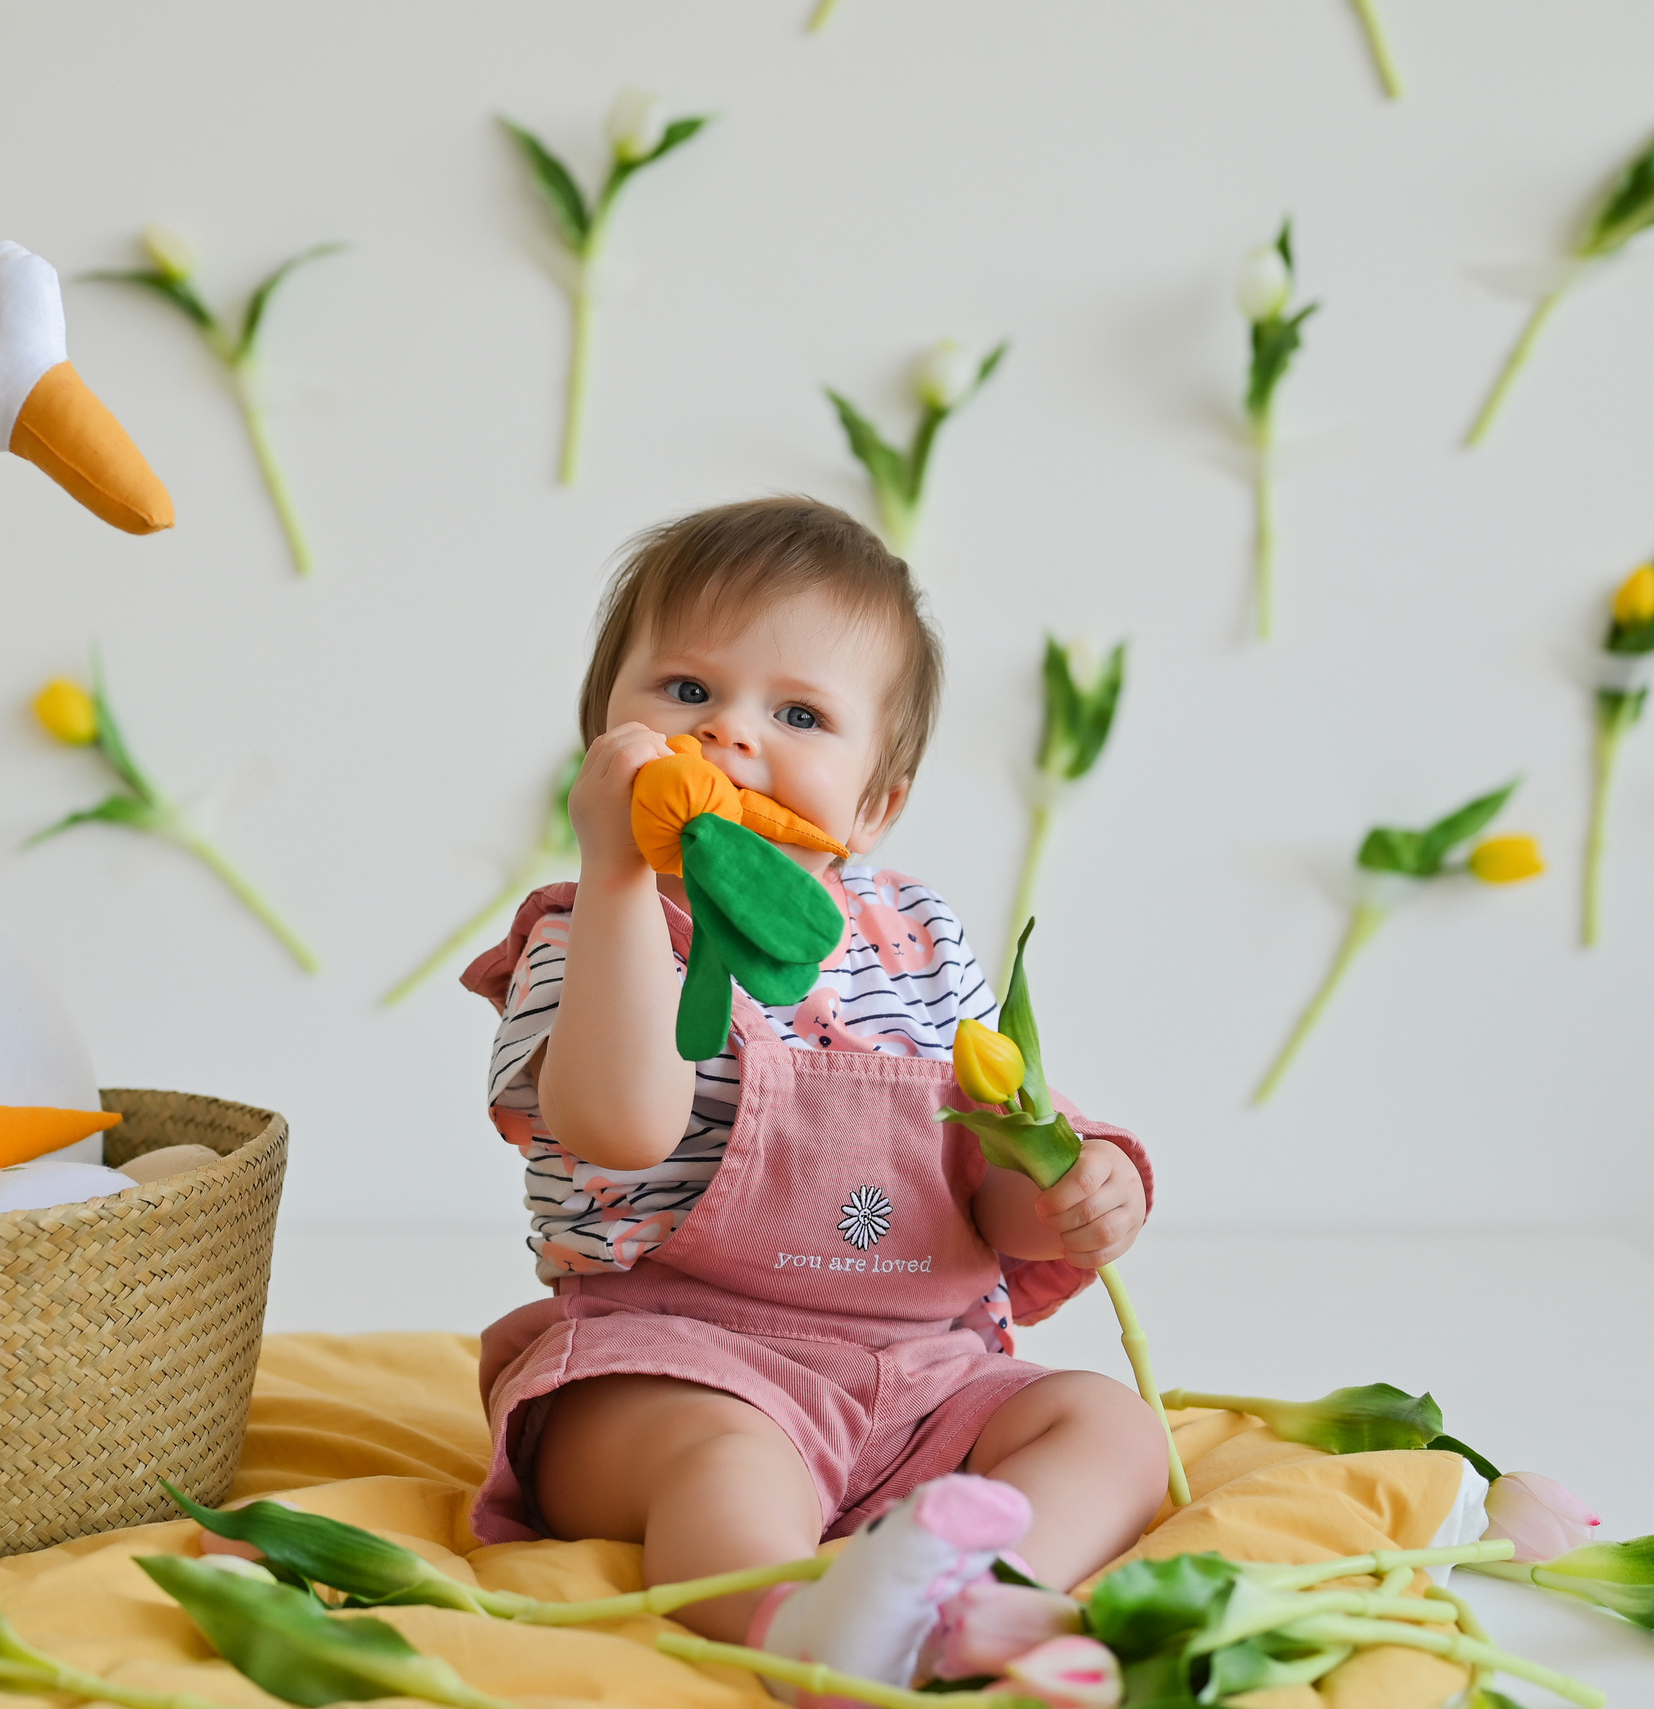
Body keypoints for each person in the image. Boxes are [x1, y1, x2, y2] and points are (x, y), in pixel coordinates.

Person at [459, 497, 1167, 1690]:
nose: (729, 731)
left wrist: (1067, 1184)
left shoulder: (919, 938)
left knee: (1110, 1426)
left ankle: (978, 1600)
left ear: (874, 805)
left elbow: (985, 1179)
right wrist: (619, 870)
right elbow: (619, 1124)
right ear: (602, 736)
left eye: (798, 713)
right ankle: (796, 1628)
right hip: (672, 1360)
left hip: (926, 1375)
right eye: (684, 691)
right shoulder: (586, 932)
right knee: (723, 1460)